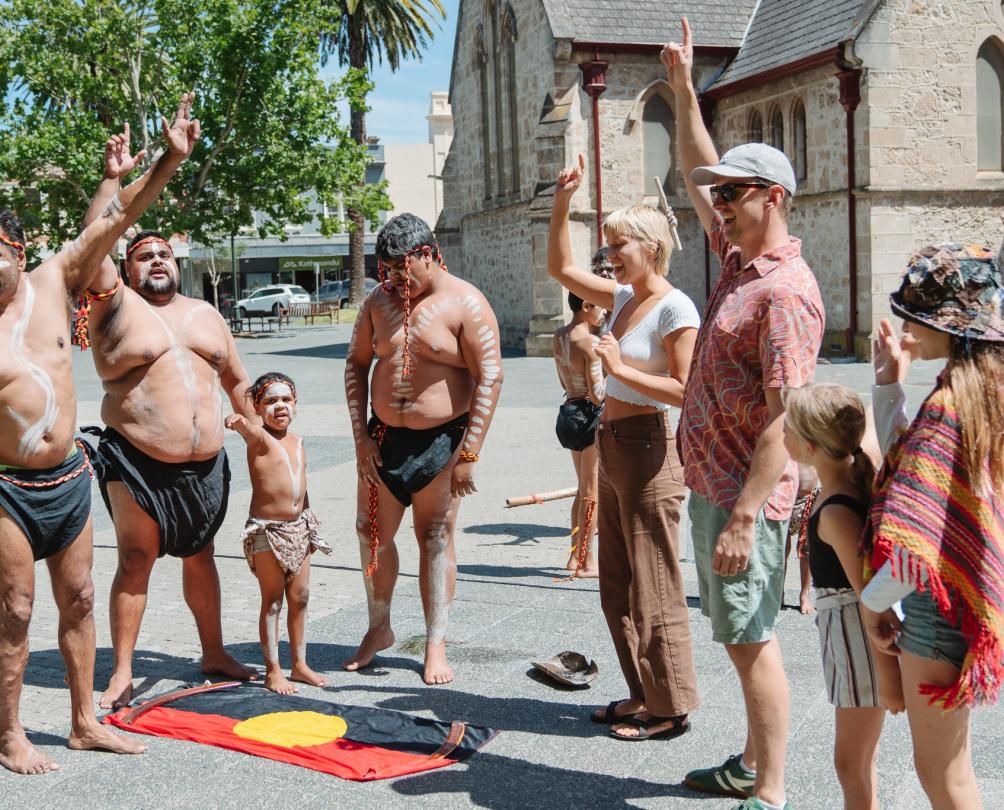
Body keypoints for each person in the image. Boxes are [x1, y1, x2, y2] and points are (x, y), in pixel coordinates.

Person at [0, 103, 200, 774]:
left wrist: (168, 158)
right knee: (17, 609)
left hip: (68, 480)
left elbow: (115, 222)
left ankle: (84, 722)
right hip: (7, 490)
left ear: (16, 251)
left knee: (80, 597)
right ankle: (9, 734)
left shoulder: (53, 279)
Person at [664, 17, 825, 810]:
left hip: (743, 498)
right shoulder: (740, 263)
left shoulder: (785, 293)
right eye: (717, 194)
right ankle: (751, 763)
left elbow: (783, 421)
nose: (717, 203)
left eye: (732, 194)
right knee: (738, 638)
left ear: (774, 197)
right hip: (718, 486)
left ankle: (770, 791)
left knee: (752, 643)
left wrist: (745, 515)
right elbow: (697, 164)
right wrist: (687, 90)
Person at [79, 98, 259, 709]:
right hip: (137, 459)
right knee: (136, 557)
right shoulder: (114, 308)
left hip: (205, 464)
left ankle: (212, 649)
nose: (155, 259)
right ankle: (123, 669)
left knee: (202, 554)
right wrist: (121, 176)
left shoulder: (206, 315)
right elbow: (94, 238)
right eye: (142, 255)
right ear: (125, 271)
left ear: (175, 263)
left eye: (163, 253)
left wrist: (263, 440)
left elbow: (238, 381)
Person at [548, 157, 701, 742]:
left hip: (648, 446)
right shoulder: (621, 297)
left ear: (652, 246)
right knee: (616, 584)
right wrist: (564, 201)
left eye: (619, 243)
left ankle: (670, 707)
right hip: (611, 441)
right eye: (608, 243)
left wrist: (615, 367)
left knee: (653, 580)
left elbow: (685, 390)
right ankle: (642, 694)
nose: (609, 253)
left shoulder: (673, 306)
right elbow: (561, 266)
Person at [860, 244, 1004, 810]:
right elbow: (921, 479)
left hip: (936, 609)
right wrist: (889, 384)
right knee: (949, 771)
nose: (907, 327)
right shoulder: (985, 395)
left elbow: (916, 535)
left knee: (944, 775)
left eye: (917, 316)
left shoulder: (950, 406)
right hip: (963, 600)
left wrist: (874, 605)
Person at [342, 213, 503, 685]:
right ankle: (380, 627)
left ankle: (436, 642)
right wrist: (360, 439)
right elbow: (355, 366)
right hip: (384, 438)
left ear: (429, 256)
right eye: (386, 270)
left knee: (433, 537)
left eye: (401, 270)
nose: (393, 280)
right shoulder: (378, 301)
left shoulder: (466, 303)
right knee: (369, 533)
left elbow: (489, 375)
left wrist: (469, 453)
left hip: (442, 442)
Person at [782, 383, 905, 810]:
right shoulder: (850, 473)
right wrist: (890, 372)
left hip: (858, 641)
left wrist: (889, 678)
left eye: (788, 429)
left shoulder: (835, 509)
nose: (781, 435)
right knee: (857, 762)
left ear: (812, 446)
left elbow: (873, 598)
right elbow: (864, 423)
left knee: (849, 763)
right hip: (851, 637)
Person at [226, 372, 331, 694]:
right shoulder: (259, 439)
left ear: (296, 403)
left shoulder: (298, 442)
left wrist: (310, 528)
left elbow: (303, 489)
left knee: (299, 598)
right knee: (272, 601)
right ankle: (273, 670)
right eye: (271, 401)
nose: (280, 406)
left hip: (298, 529)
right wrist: (240, 423)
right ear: (257, 407)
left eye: (286, 400)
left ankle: (299, 665)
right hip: (267, 533)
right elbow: (248, 431)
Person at [552, 291, 606, 576]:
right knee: (591, 492)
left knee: (582, 488)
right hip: (588, 416)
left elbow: (563, 379)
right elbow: (597, 395)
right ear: (586, 306)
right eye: (600, 308)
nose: (604, 314)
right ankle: (588, 561)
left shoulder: (558, 336)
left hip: (569, 412)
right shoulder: (590, 343)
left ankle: (574, 556)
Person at [783, 464, 817, 615]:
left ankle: (804, 595)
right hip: (783, 496)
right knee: (781, 552)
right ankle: (779, 593)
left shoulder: (815, 440)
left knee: (807, 552)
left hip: (809, 499)